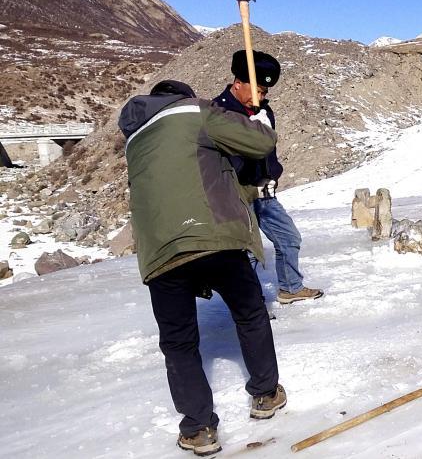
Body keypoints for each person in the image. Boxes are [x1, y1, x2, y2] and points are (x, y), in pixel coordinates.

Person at [118, 79, 287, 456]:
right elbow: (259, 143)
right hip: (215, 236)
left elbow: (205, 175)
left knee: (178, 342)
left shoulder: (135, 140)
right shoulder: (194, 111)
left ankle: (198, 429)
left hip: (160, 253)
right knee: (249, 313)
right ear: (182, 95)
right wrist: (258, 122)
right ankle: (265, 393)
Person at [213, 50, 323, 304]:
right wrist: (251, 132)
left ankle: (290, 288)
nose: (261, 97)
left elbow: (267, 152)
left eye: (265, 92)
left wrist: (272, 173)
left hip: (264, 191)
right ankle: (250, 303)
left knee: (289, 237)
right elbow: (230, 160)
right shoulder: (218, 113)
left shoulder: (263, 110)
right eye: (258, 90)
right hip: (236, 193)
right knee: (247, 250)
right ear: (237, 84)